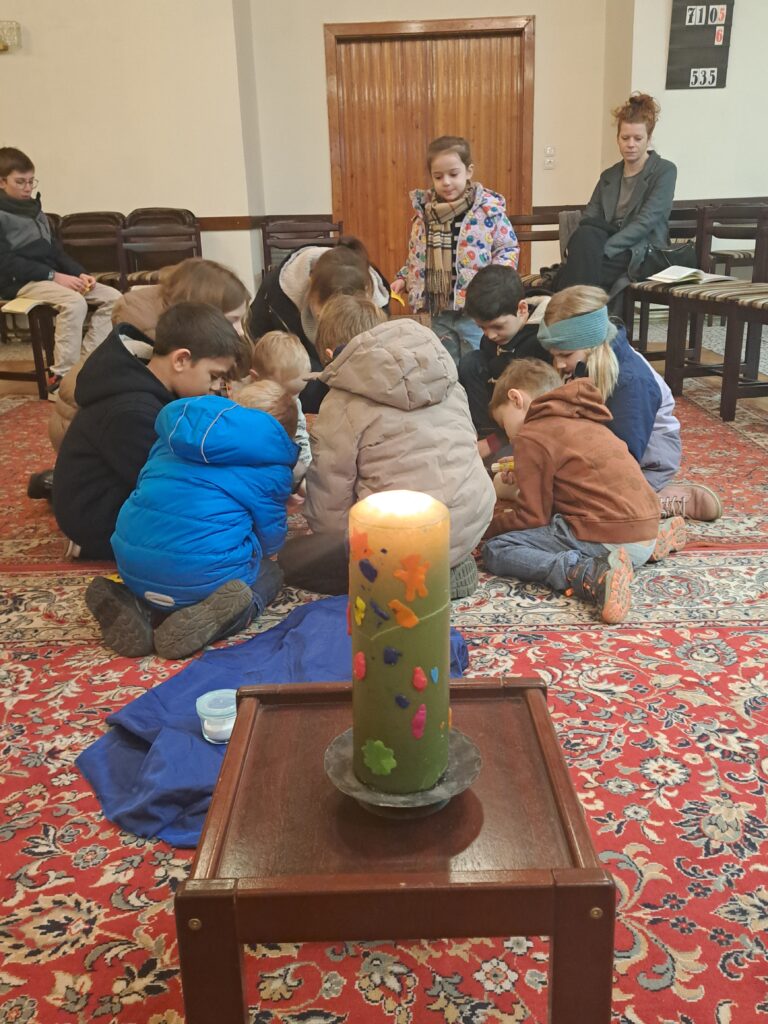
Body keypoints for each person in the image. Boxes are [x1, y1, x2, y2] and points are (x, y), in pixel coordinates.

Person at [279, 303, 496, 600]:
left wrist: (333, 543)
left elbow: (330, 499)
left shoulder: (341, 402)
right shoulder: (444, 376)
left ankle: (403, 583)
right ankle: (446, 568)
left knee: (292, 558)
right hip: (468, 526)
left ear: (330, 355)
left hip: (396, 546)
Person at [87, 382, 298, 660]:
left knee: (165, 562)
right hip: (205, 576)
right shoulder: (270, 463)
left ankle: (136, 602)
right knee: (269, 573)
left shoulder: (173, 438)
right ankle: (218, 618)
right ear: (280, 434)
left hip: (132, 563)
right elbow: (270, 535)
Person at [482, 359, 687, 624]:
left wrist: (488, 527)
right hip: (643, 523)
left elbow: (533, 518)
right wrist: (526, 474)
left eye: (503, 422)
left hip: (610, 535)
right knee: (576, 521)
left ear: (515, 398)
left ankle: (587, 572)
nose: (509, 437)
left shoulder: (531, 435)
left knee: (497, 549)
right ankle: (651, 543)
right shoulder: (580, 417)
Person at [52, 302, 244, 561]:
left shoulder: (146, 379)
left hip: (116, 490)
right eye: (213, 376)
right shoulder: (132, 411)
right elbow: (172, 483)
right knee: (218, 531)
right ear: (181, 360)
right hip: (97, 523)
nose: (214, 386)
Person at [536, 286, 722, 521]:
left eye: (565, 355)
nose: (560, 364)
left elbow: (625, 461)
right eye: (555, 355)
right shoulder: (584, 360)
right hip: (599, 450)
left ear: (591, 345)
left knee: (581, 508)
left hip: (644, 461)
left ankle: (660, 501)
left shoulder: (631, 381)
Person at [43, 257, 251, 457]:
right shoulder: (152, 362)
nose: (240, 331)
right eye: (232, 320)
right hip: (105, 452)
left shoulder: (169, 343)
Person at [0, 147, 121, 396]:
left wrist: (80, 273)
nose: (27, 188)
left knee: (113, 298)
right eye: (20, 182)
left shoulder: (36, 210)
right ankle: (62, 379)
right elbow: (6, 262)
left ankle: (86, 367)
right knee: (74, 302)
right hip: (18, 282)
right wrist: (53, 276)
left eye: (31, 181)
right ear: (2, 182)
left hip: (50, 277)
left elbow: (55, 251)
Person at [391, 135, 520, 363]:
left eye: (453, 174)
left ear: (469, 171)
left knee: (477, 357)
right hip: (439, 305)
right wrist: (403, 277)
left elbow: (507, 248)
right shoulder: (426, 214)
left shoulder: (488, 211)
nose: (446, 182)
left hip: (475, 307)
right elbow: (417, 255)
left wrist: (494, 283)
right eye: (438, 177)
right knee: (445, 360)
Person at [247, 236, 390, 412]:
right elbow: (254, 340)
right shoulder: (278, 292)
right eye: (323, 317)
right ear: (310, 288)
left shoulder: (376, 302)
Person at [555, 93, 676, 297]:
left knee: (571, 273)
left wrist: (605, 248)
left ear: (649, 139)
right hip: (605, 247)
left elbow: (646, 222)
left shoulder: (664, 171)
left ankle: (571, 306)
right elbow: (589, 219)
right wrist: (595, 248)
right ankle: (586, 312)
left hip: (642, 250)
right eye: (625, 138)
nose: (631, 144)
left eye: (638, 138)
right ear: (617, 139)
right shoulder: (609, 176)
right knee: (585, 236)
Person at [458, 264, 552, 457]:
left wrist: (499, 441)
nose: (490, 335)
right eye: (482, 328)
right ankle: (483, 436)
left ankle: (496, 444)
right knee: (470, 362)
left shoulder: (540, 341)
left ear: (522, 309)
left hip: (527, 420)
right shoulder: (494, 337)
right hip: (498, 411)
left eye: (497, 327)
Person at [245, 331, 313, 484]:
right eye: (287, 394)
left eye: (297, 393)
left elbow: (300, 436)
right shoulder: (241, 402)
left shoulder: (293, 403)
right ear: (256, 378)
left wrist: (307, 474)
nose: (293, 401)